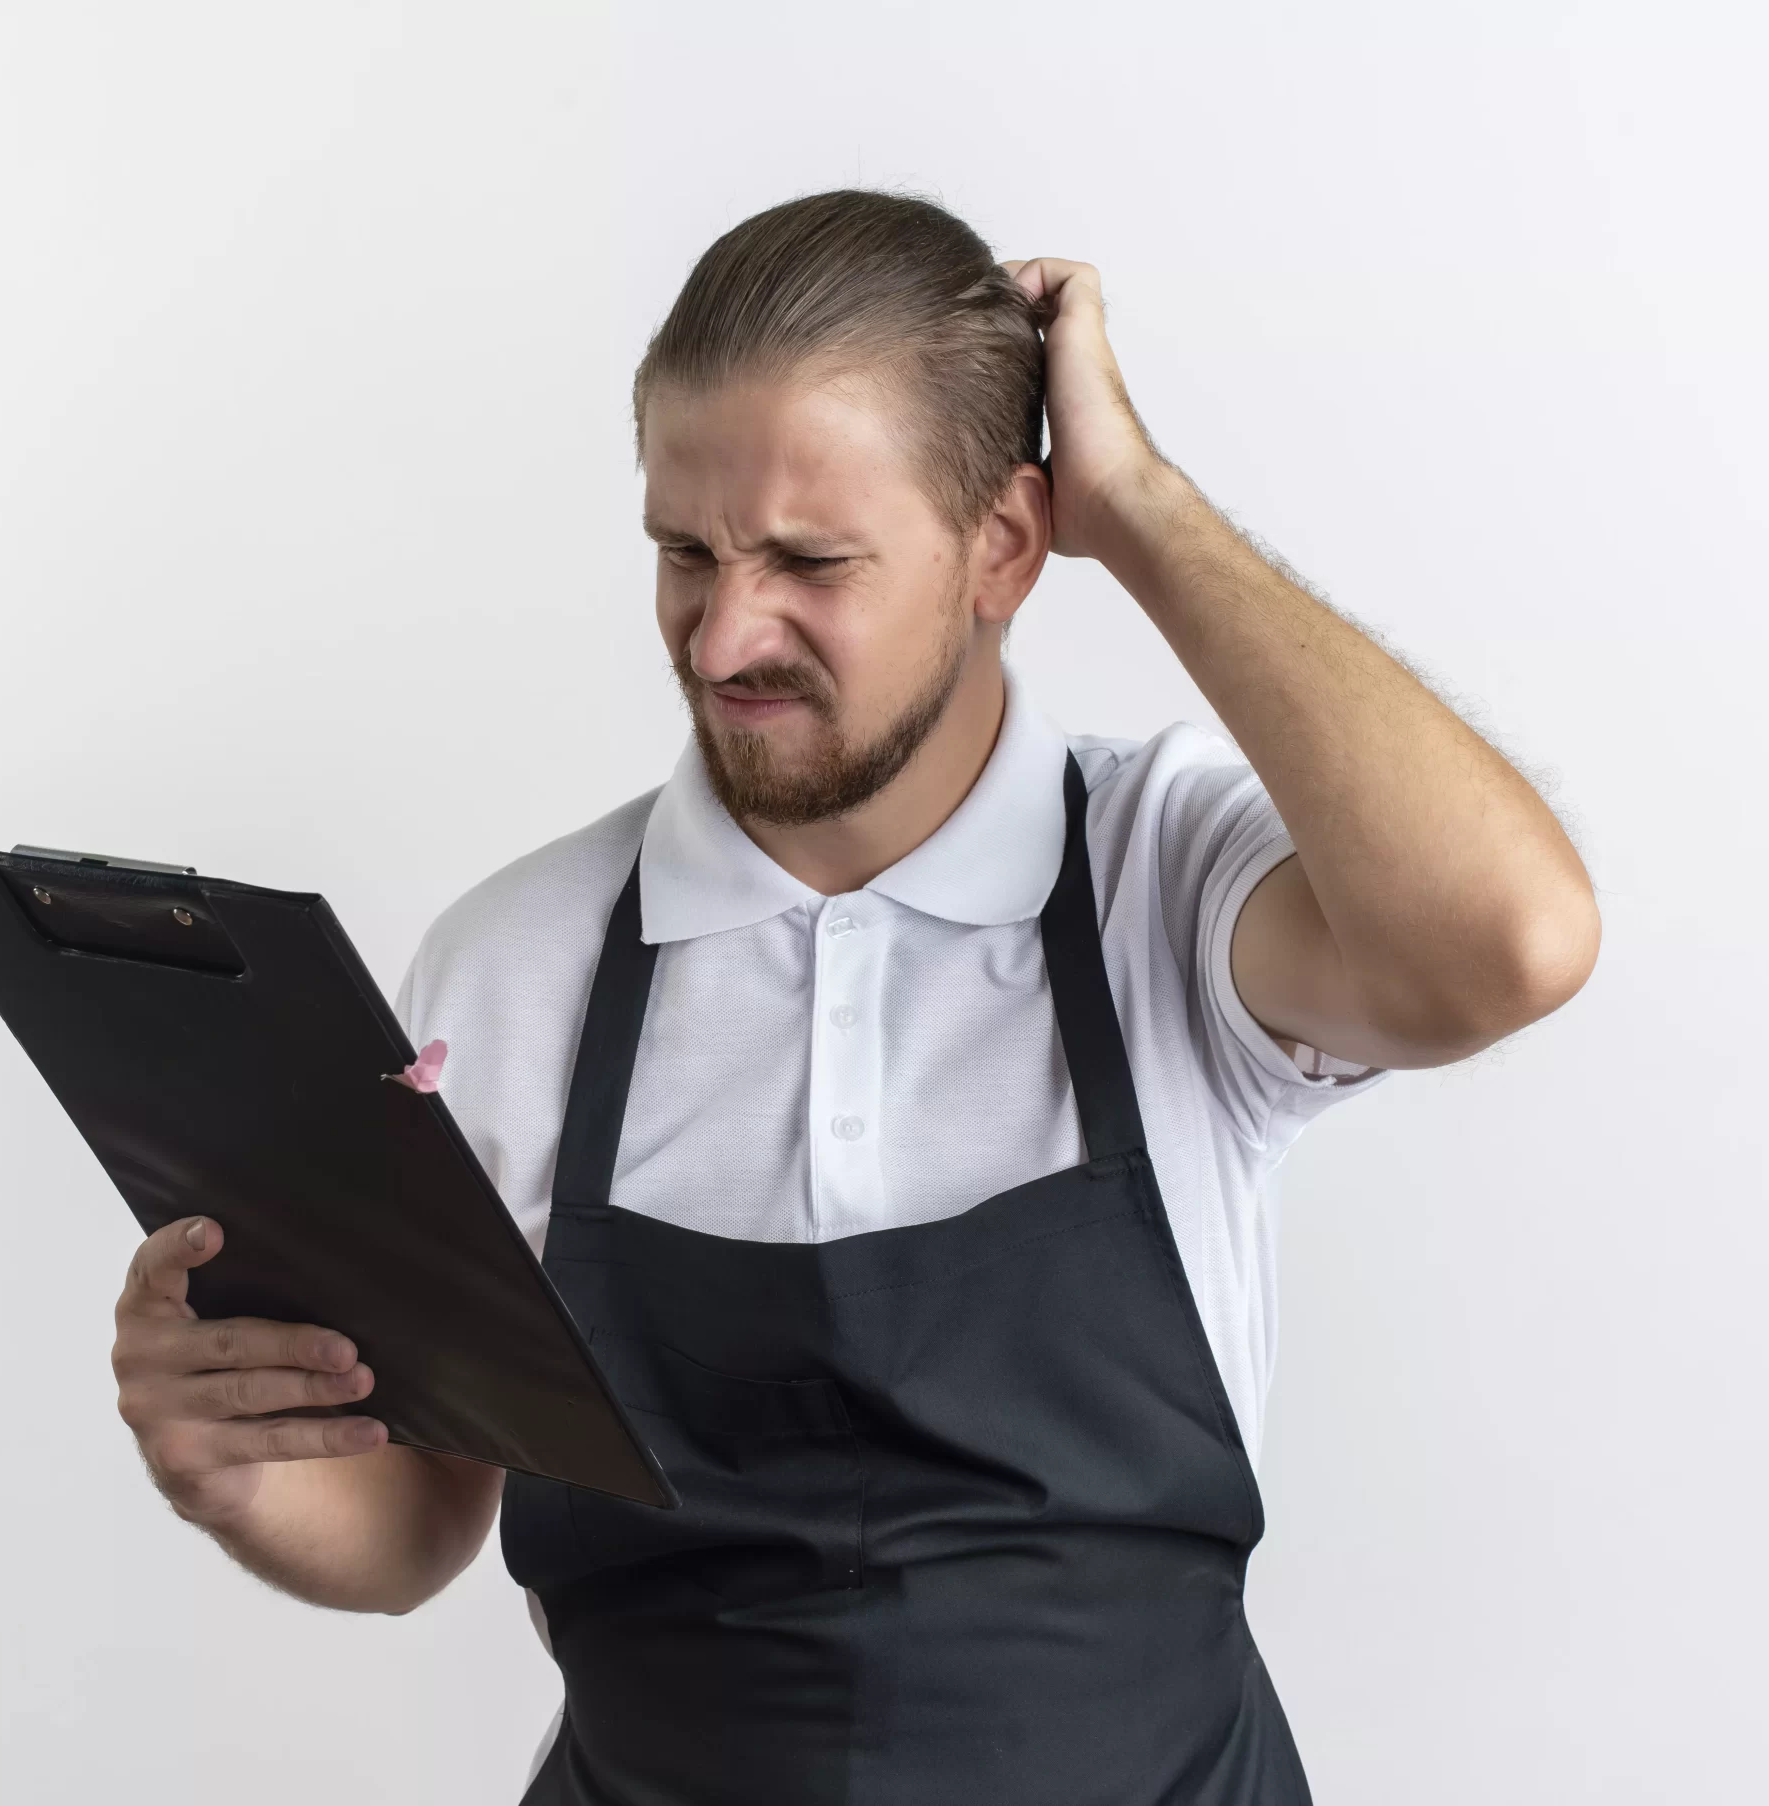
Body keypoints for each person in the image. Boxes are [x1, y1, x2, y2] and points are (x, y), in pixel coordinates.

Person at [106, 190, 1599, 1802]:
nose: (726, 630)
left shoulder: (1167, 884)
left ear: (1005, 547)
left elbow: (1506, 940)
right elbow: (414, 1528)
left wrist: (1148, 506)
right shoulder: (516, 961)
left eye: (811, 560)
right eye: (686, 551)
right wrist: (230, 1466)